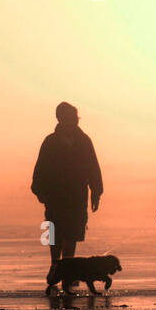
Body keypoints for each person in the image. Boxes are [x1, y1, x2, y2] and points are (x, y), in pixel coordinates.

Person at [32, 102, 104, 289]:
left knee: (72, 233)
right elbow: (40, 169)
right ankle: (56, 266)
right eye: (71, 117)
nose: (74, 120)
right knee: (55, 233)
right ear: (61, 119)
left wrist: (96, 191)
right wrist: (40, 191)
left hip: (76, 195)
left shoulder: (84, 141)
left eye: (75, 117)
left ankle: (69, 270)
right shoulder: (51, 142)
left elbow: (93, 168)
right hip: (55, 196)